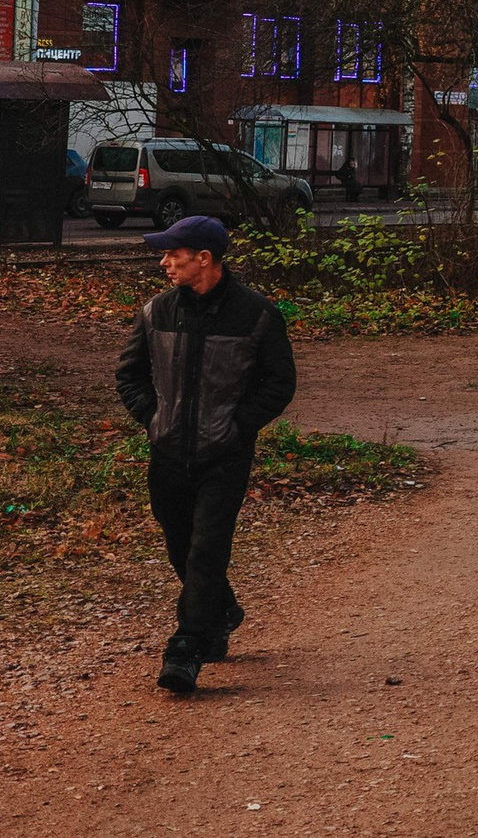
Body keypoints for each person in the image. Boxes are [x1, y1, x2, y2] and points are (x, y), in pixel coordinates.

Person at [113, 215, 297, 695]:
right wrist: (154, 419)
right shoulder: (156, 312)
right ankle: (222, 611)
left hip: (225, 456)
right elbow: (129, 375)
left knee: (206, 551)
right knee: (179, 543)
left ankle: (187, 647)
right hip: (168, 453)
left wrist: (237, 428)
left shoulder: (257, 315)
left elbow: (278, 383)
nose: (164, 263)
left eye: (173, 254)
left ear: (204, 259)